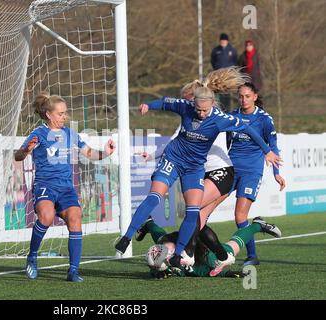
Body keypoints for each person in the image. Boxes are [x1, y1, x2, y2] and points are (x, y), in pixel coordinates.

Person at [114, 68, 282, 269]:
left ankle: (188, 253)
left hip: (220, 171)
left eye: (203, 109)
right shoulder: (186, 109)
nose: (199, 113)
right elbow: (169, 112)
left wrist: (267, 152)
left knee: (196, 215)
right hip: (190, 165)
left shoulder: (222, 118)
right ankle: (200, 254)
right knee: (194, 218)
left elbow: (249, 130)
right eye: (195, 107)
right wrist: (148, 109)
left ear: (209, 103)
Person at [15, 92, 115, 282]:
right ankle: (32, 257)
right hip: (45, 185)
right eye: (60, 113)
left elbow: (89, 153)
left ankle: (73, 271)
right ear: (49, 115)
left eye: (65, 113)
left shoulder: (70, 133)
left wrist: (106, 153)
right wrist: (26, 150)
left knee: (75, 217)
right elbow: (18, 157)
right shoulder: (38, 134)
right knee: (46, 216)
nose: (65, 117)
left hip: (66, 188)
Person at [227, 82, 286, 266]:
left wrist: (276, 172)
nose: (243, 99)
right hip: (229, 169)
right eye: (240, 96)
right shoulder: (232, 116)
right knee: (203, 208)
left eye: (247, 96)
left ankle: (252, 256)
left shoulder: (264, 119)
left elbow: (272, 146)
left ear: (254, 97)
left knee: (240, 217)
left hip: (251, 171)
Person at [145, 216, 282, 278]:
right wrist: (149, 223)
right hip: (195, 248)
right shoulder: (164, 244)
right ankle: (258, 224)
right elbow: (157, 233)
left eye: (167, 248)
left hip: (207, 251)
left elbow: (203, 271)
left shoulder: (204, 258)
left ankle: (258, 225)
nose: (163, 247)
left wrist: (225, 273)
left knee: (231, 248)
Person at [211, 33, 238, 112]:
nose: (223, 42)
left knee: (227, 94)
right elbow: (212, 61)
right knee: (218, 94)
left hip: (228, 77)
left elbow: (235, 62)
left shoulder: (232, 50)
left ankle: (228, 110)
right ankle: (218, 110)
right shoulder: (216, 50)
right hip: (218, 77)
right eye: (221, 40)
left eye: (224, 40)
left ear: (227, 41)